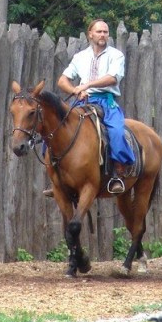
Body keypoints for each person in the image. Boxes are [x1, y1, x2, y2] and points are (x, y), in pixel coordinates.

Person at [57, 19, 135, 195]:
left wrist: (86, 85)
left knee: (115, 131)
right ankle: (56, 175)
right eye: (99, 32)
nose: (103, 35)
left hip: (105, 101)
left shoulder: (116, 55)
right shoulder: (80, 57)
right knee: (56, 128)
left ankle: (117, 172)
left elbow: (113, 78)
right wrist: (75, 90)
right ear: (90, 34)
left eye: (106, 32)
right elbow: (62, 81)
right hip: (82, 101)